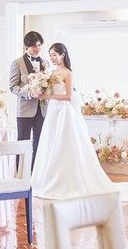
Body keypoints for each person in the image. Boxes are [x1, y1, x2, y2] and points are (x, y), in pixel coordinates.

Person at [31, 42, 116, 199]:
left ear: (62, 55)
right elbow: (48, 88)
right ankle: (48, 179)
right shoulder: (50, 72)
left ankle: (67, 181)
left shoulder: (68, 73)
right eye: (50, 55)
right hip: (52, 112)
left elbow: (68, 96)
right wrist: (38, 88)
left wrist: (46, 96)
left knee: (64, 144)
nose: (52, 58)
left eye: (54, 55)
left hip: (64, 112)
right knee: (50, 143)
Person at [9, 31, 47, 169]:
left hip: (42, 110)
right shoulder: (17, 63)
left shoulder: (45, 63)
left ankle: (35, 174)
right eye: (34, 46)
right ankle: (20, 175)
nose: (37, 48)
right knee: (22, 143)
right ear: (26, 46)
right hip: (24, 110)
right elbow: (13, 87)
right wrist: (28, 93)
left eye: (39, 45)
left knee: (40, 144)